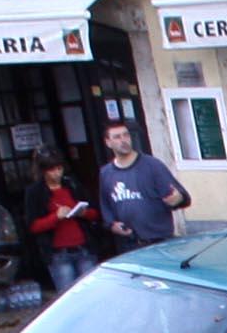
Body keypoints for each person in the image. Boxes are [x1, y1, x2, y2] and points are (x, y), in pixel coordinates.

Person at [94, 122, 191, 250]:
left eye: (126, 135)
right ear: (108, 142)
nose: (123, 140)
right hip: (128, 244)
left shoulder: (152, 165)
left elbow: (183, 197)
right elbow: (105, 205)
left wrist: (178, 199)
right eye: (117, 137)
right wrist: (112, 225)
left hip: (159, 241)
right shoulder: (106, 173)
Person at [28, 163, 95, 291]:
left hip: (83, 248)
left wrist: (83, 212)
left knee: (91, 291)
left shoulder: (72, 185)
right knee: (67, 293)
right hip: (58, 253)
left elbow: (95, 212)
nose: (57, 173)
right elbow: (33, 226)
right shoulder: (35, 192)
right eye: (52, 170)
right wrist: (55, 217)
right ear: (44, 171)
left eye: (60, 169)